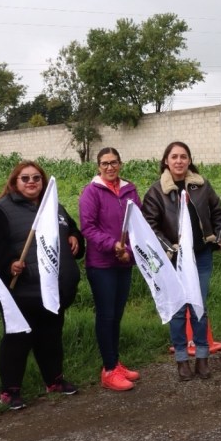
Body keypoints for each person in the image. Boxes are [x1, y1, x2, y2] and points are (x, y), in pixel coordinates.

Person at [0, 161, 84, 410]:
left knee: (51, 336)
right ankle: (10, 390)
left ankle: (54, 380)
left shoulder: (54, 207)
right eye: (25, 178)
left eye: (36, 178)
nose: (31, 182)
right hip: (20, 290)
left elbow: (72, 229)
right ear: (14, 182)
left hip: (52, 288)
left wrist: (74, 237)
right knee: (18, 339)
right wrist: (9, 265)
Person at [142, 142, 221, 381]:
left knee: (199, 307)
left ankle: (202, 357)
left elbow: (219, 214)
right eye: (174, 157)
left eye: (183, 157)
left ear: (189, 160)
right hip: (173, 260)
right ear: (166, 161)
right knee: (179, 310)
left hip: (200, 257)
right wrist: (169, 247)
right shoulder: (156, 191)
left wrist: (216, 237)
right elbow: (150, 226)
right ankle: (181, 360)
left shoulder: (201, 186)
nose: (179, 161)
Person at [79, 147, 143, 392]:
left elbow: (138, 223)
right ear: (98, 166)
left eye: (114, 162)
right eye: (105, 163)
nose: (109, 167)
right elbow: (89, 228)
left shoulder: (130, 189)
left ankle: (115, 362)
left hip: (124, 261)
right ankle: (108, 370)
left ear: (120, 164)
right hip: (102, 264)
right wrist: (113, 245)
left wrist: (129, 250)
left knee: (116, 315)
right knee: (106, 316)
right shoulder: (91, 192)